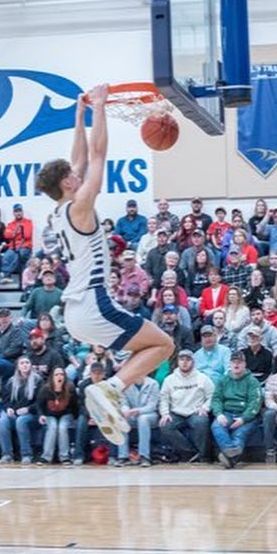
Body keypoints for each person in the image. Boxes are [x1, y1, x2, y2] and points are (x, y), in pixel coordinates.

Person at [36, 84, 172, 445]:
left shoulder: (59, 211)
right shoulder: (81, 206)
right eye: (71, 174)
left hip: (77, 312)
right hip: (93, 304)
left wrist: (79, 114)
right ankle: (109, 388)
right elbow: (96, 156)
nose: (76, 172)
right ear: (68, 182)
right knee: (163, 346)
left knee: (148, 346)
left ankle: (111, 391)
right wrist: (99, 107)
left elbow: (79, 160)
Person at [158, 349, 213, 462]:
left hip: (195, 412)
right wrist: (165, 413)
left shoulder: (203, 378)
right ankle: (190, 453)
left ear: (193, 362)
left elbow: (212, 395)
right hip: (176, 413)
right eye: (182, 359)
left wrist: (205, 407)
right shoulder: (169, 379)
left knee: (201, 421)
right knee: (165, 425)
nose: (185, 362)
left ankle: (203, 456)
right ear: (178, 362)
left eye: (188, 359)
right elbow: (163, 399)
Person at [0, 355, 42, 464]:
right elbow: (6, 400)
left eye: (27, 362)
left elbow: (41, 402)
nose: (25, 365)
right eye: (22, 363)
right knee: (2, 421)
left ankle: (26, 454)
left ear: (31, 365)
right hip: (15, 412)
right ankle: (7, 454)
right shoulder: (11, 381)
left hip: (32, 413)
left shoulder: (38, 380)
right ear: (18, 366)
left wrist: (28, 409)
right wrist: (8, 408)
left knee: (21, 421)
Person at [112, 376, 160, 467]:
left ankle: (144, 456)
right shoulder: (125, 385)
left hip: (150, 415)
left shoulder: (153, 384)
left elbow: (152, 406)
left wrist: (138, 411)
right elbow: (124, 402)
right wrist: (125, 410)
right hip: (132, 415)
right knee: (121, 419)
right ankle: (123, 456)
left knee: (143, 419)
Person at [36, 366, 78, 464]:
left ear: (65, 377)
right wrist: (41, 415)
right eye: (56, 375)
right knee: (53, 427)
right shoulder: (46, 389)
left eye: (61, 374)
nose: (59, 377)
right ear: (52, 377)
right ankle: (46, 457)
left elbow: (75, 404)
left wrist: (75, 417)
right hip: (49, 415)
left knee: (62, 427)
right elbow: (39, 404)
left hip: (66, 414)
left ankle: (64, 457)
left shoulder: (70, 388)